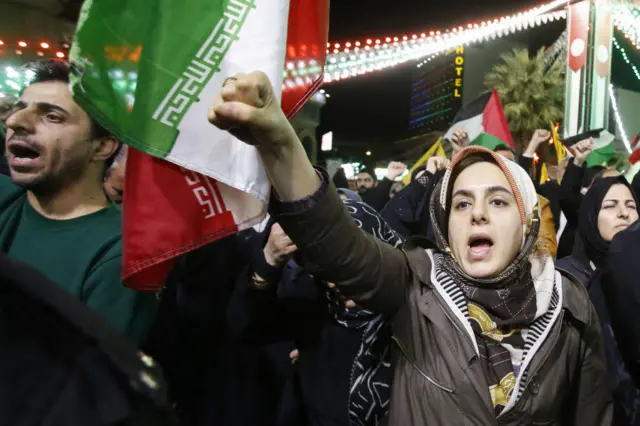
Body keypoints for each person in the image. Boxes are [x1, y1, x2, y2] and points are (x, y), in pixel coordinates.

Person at [207, 71, 612, 425]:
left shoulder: (569, 305)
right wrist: (280, 144)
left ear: (526, 221)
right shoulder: (415, 283)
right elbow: (338, 244)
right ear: (444, 224)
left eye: (499, 201)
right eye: (462, 203)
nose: (478, 214)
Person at [0, 60, 158, 343]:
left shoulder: (119, 256)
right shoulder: (6, 197)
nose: (14, 121)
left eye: (52, 116)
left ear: (101, 146)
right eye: (21, 107)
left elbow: (86, 383)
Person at [228, 200, 403, 426]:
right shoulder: (317, 308)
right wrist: (269, 260)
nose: (334, 282)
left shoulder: (413, 307)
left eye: (348, 264)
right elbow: (244, 325)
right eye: (324, 268)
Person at [557, 176, 640, 425]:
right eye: (610, 205)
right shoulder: (565, 279)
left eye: (632, 206)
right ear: (592, 215)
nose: (624, 214)